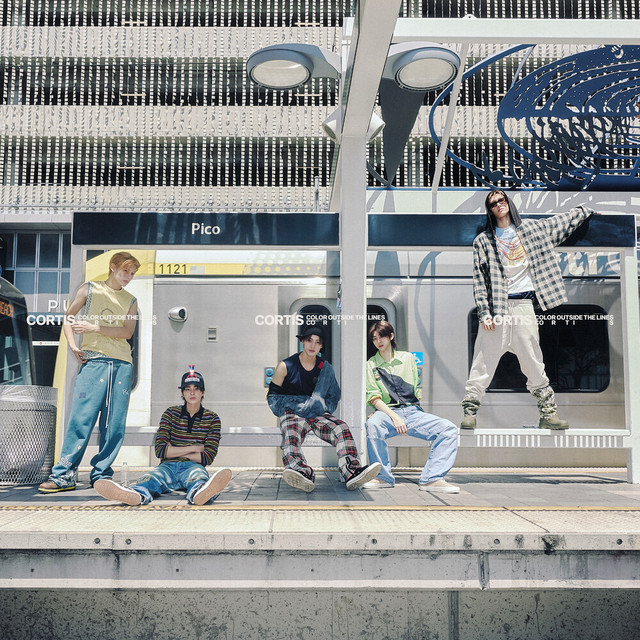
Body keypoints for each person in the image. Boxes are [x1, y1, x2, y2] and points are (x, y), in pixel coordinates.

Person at [461, 190, 597, 430]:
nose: (498, 204)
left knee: (534, 361)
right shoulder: (483, 241)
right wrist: (484, 312)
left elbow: (561, 222)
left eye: (501, 200)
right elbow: (479, 280)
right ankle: (470, 413)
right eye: (493, 203)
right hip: (498, 308)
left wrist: (585, 211)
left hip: (524, 306)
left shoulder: (533, 229)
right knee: (483, 361)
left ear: (508, 202)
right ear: (489, 210)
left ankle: (548, 414)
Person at [38, 251, 141, 493]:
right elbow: (68, 318)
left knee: (114, 425)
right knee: (81, 419)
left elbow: (127, 332)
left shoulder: (131, 300)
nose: (128, 277)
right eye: (125, 271)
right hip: (93, 362)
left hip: (121, 364)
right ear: (113, 267)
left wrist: (94, 327)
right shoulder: (90, 288)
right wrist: (73, 345)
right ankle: (63, 476)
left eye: (132, 273)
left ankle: (102, 475)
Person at [267, 326, 382, 492]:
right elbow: (273, 397)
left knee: (341, 427)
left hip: (318, 414)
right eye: (309, 340)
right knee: (291, 434)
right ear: (302, 341)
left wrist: (322, 407)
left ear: (321, 346)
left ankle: (351, 471)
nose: (313, 345)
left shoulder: (325, 368)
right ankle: (301, 472)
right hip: (293, 413)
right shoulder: (286, 365)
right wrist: (294, 406)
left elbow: (334, 395)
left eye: (317, 342)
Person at [94, 368, 232, 505]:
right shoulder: (170, 413)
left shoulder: (212, 418)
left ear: (203, 392)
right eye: (187, 389)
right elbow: (160, 451)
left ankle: (199, 494)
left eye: (196, 388)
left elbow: (208, 457)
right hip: (167, 466)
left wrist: (172, 451)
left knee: (199, 478)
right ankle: (136, 495)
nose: (192, 392)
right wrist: (195, 448)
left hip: (193, 466)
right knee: (150, 479)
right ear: (182, 393)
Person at [365, 321, 459, 493]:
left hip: (412, 411)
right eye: (374, 338)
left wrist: (412, 413)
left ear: (391, 336)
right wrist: (394, 416)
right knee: (373, 425)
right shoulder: (370, 364)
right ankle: (383, 477)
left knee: (449, 429)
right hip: (388, 413)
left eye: (382, 337)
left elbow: (414, 389)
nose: (378, 341)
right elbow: (373, 397)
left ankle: (432, 479)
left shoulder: (408, 359)